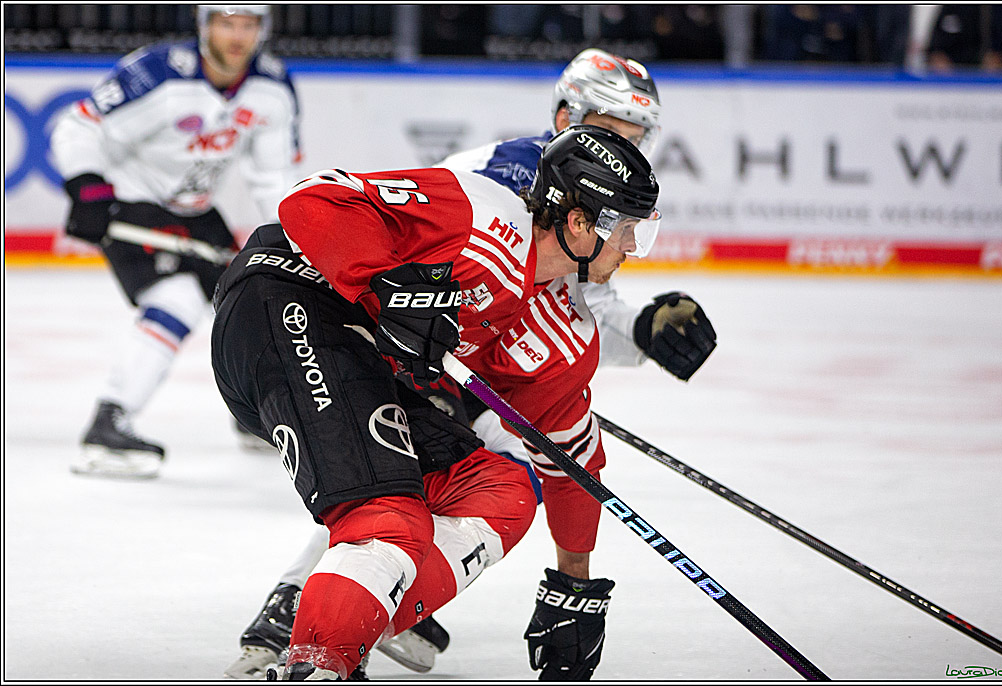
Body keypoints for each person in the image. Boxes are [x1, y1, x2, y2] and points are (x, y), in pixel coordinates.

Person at [225, 48, 717, 681]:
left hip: (439, 352)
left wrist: (573, 590)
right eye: (615, 127)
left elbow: (571, 444)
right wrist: (391, 286)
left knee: (506, 484)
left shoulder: (564, 301)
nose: (633, 248)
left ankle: (356, 608)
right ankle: (312, 624)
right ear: (569, 118)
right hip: (315, 309)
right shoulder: (492, 187)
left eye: (639, 133)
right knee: (388, 512)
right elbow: (325, 203)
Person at [50, 4, 300, 478]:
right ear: (205, 25)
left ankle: (254, 417)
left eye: (248, 24)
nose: (237, 36)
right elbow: (79, 125)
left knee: (253, 302)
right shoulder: (157, 74)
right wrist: (88, 189)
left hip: (197, 213)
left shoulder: (273, 87)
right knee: (178, 300)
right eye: (226, 23)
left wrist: (290, 234)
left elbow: (272, 176)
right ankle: (108, 422)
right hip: (132, 204)